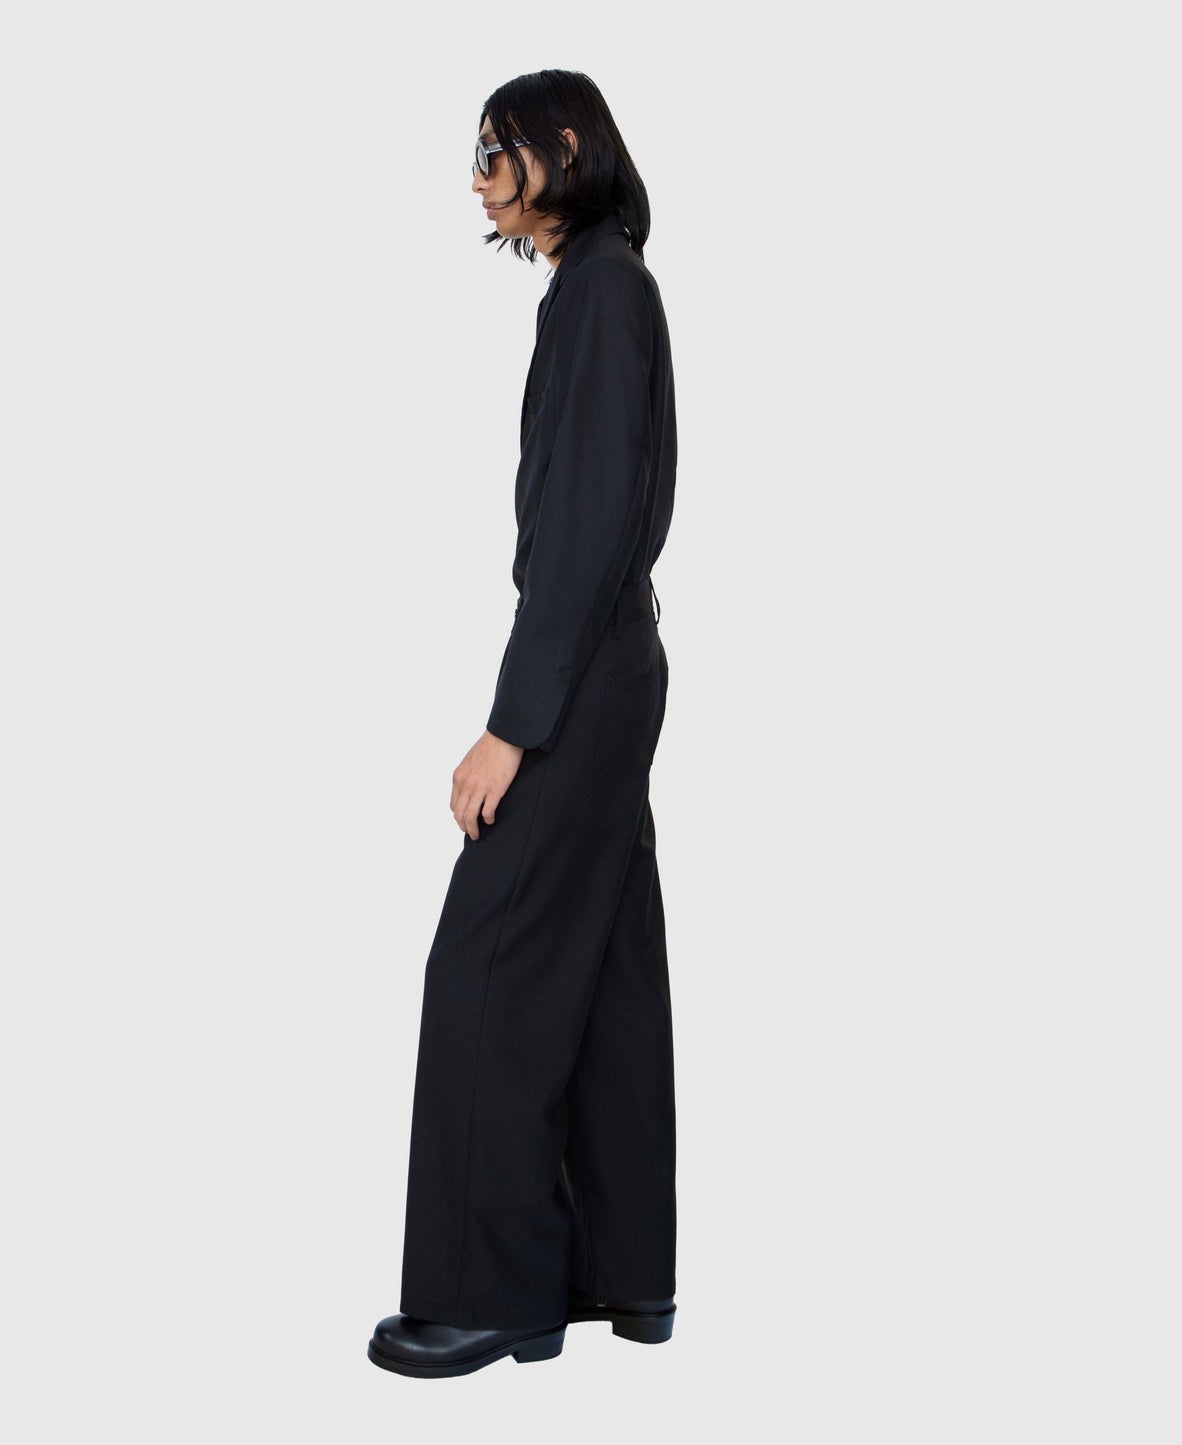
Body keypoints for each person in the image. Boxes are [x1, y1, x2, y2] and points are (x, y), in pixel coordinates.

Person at [368, 69, 678, 1379]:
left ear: (564, 144)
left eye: (497, 151)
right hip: (609, 662)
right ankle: (622, 1273)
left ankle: (491, 1291)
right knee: (603, 970)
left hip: (582, 669)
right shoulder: (599, 287)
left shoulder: (602, 291)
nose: (480, 176)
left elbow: (588, 527)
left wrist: (513, 723)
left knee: (485, 966)